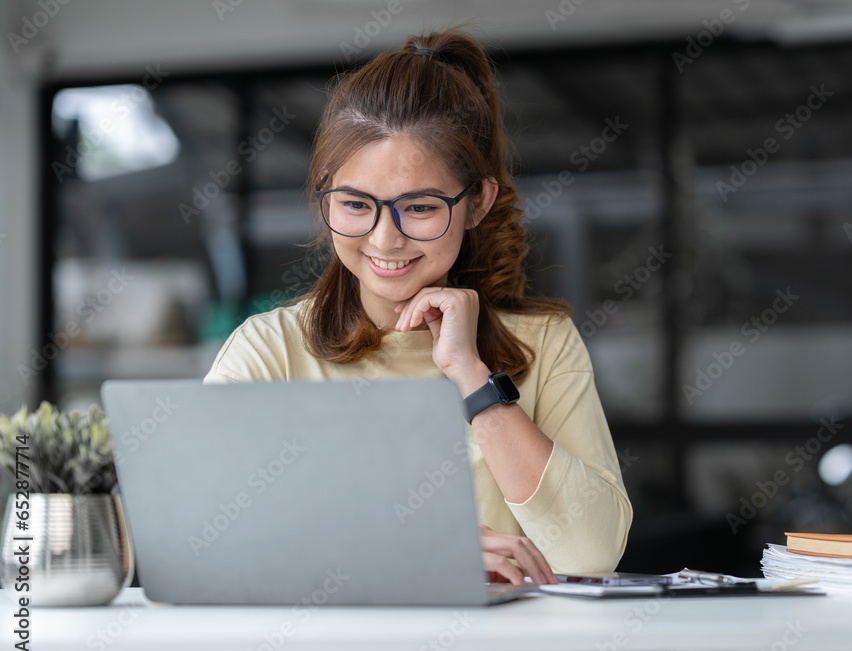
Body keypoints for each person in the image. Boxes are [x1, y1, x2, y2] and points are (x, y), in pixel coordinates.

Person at [204, 28, 632, 585]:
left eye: (420, 207)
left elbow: (593, 551)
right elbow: (208, 542)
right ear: (324, 194)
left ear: (477, 202)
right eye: (356, 204)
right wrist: (420, 551)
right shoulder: (269, 352)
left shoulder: (543, 343)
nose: (385, 239)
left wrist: (474, 379)